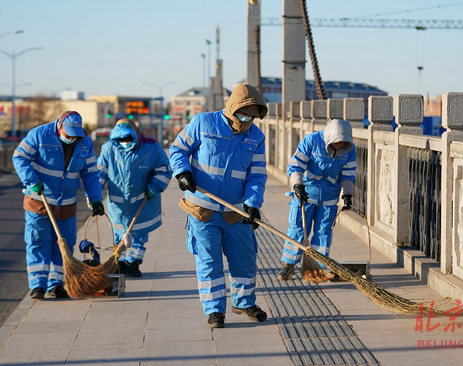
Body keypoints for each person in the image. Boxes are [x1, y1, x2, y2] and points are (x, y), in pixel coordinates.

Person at [169, 83, 268, 328]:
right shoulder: (203, 123)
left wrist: (253, 204)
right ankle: (214, 310)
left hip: (235, 211)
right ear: (233, 107)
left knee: (244, 259)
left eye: (253, 115)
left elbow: (256, 175)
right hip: (202, 209)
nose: (249, 119)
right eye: (245, 113)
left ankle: (243, 302)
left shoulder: (256, 136)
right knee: (209, 260)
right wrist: (182, 172)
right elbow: (178, 149)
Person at [12, 110, 105, 300]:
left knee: (64, 245)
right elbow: (19, 157)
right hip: (39, 200)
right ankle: (37, 285)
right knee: (38, 242)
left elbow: (90, 173)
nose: (72, 138)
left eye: (75, 134)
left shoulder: (85, 142)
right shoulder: (39, 135)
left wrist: (95, 198)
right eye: (68, 133)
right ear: (60, 125)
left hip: (67, 203)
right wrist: (31, 181)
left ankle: (57, 284)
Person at [277, 118, 357, 281]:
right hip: (305, 193)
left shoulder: (350, 149)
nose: (339, 145)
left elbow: (348, 174)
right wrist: (298, 186)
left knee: (324, 231)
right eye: (336, 142)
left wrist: (347, 195)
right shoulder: (311, 141)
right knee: (298, 227)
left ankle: (317, 267)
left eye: (343, 143)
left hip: (329, 196)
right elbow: (296, 166)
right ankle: (289, 265)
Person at [97, 119, 172, 277]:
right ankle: (120, 261)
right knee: (119, 233)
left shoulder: (152, 149)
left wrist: (154, 187)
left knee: (139, 234)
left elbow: (164, 171)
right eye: (121, 140)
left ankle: (134, 262)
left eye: (128, 140)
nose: (125, 143)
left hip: (143, 201)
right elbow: (99, 174)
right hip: (118, 205)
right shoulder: (108, 149)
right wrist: (94, 196)